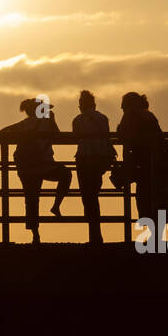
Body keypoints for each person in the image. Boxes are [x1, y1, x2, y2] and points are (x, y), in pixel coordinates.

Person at [0, 98, 71, 245]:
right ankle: (56, 205)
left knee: (31, 199)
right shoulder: (47, 122)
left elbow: (4, 132)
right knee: (66, 174)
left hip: (26, 168)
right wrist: (52, 119)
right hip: (45, 165)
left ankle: (35, 235)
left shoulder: (24, 124)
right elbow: (58, 136)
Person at [55, 90, 116, 244]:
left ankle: (94, 233)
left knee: (87, 196)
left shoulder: (78, 120)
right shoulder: (103, 118)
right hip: (101, 159)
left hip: (85, 159)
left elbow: (76, 137)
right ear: (94, 104)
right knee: (94, 193)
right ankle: (96, 233)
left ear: (81, 105)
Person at [117, 92, 168, 238]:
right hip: (164, 160)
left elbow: (122, 133)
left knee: (144, 197)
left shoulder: (131, 114)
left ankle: (151, 236)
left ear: (128, 105)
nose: (122, 110)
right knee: (161, 198)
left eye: (123, 107)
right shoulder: (148, 115)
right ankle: (158, 237)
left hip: (148, 162)